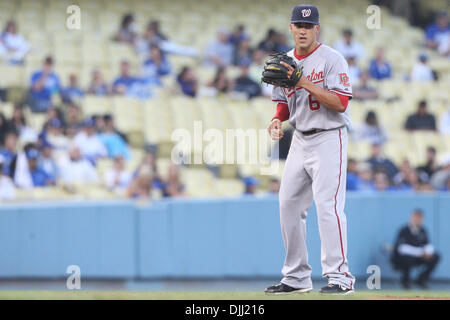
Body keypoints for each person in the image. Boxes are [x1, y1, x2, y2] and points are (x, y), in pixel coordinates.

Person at [264, 5, 355, 295]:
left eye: (308, 26)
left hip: (330, 137)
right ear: (291, 27)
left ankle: (340, 278)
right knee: (288, 205)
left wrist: (303, 81)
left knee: (328, 207)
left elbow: (341, 103)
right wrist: (277, 119)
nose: (303, 30)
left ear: (317, 28)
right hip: (300, 139)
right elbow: (283, 102)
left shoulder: (332, 59)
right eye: (298, 25)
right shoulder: (286, 61)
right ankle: (296, 277)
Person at [391, 209, 440, 289]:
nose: (418, 220)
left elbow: (428, 244)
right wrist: (421, 252)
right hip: (402, 258)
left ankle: (421, 279)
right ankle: (405, 281)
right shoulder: (404, 230)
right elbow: (402, 248)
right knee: (407, 258)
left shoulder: (423, 230)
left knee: (436, 256)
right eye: (416, 218)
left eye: (420, 218)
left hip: (418, 258)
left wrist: (428, 252)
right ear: (412, 218)